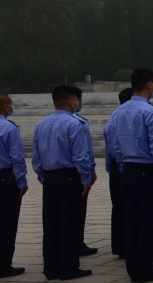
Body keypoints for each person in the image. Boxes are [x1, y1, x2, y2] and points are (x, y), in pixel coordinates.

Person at [111, 69, 153, 282]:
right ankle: (145, 268)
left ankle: (133, 268)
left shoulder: (119, 111)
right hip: (147, 170)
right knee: (149, 222)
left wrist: (122, 166)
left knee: (131, 220)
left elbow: (116, 145)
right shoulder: (150, 112)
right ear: (148, 84)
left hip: (128, 169)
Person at [32, 85, 94, 280]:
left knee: (51, 225)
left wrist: (43, 176)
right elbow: (80, 156)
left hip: (50, 177)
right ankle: (69, 268)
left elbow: (36, 157)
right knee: (69, 223)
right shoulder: (74, 124)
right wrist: (85, 179)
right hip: (69, 176)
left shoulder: (41, 124)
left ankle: (51, 268)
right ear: (71, 101)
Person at [68, 86, 98, 257]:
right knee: (76, 214)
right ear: (74, 101)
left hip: (52, 176)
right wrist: (88, 174)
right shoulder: (78, 123)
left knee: (54, 218)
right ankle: (75, 246)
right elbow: (84, 152)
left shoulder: (45, 122)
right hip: (74, 175)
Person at [0, 93, 27, 279]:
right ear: (5, 106)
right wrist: (22, 181)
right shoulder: (8, 128)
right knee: (7, 223)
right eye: (11, 104)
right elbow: (16, 158)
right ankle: (3, 264)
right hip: (4, 179)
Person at [104, 88, 132, 259]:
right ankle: (126, 245)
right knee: (128, 208)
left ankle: (120, 245)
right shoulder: (120, 121)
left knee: (119, 208)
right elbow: (116, 148)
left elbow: (109, 151)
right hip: (125, 166)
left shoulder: (112, 120)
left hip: (117, 166)